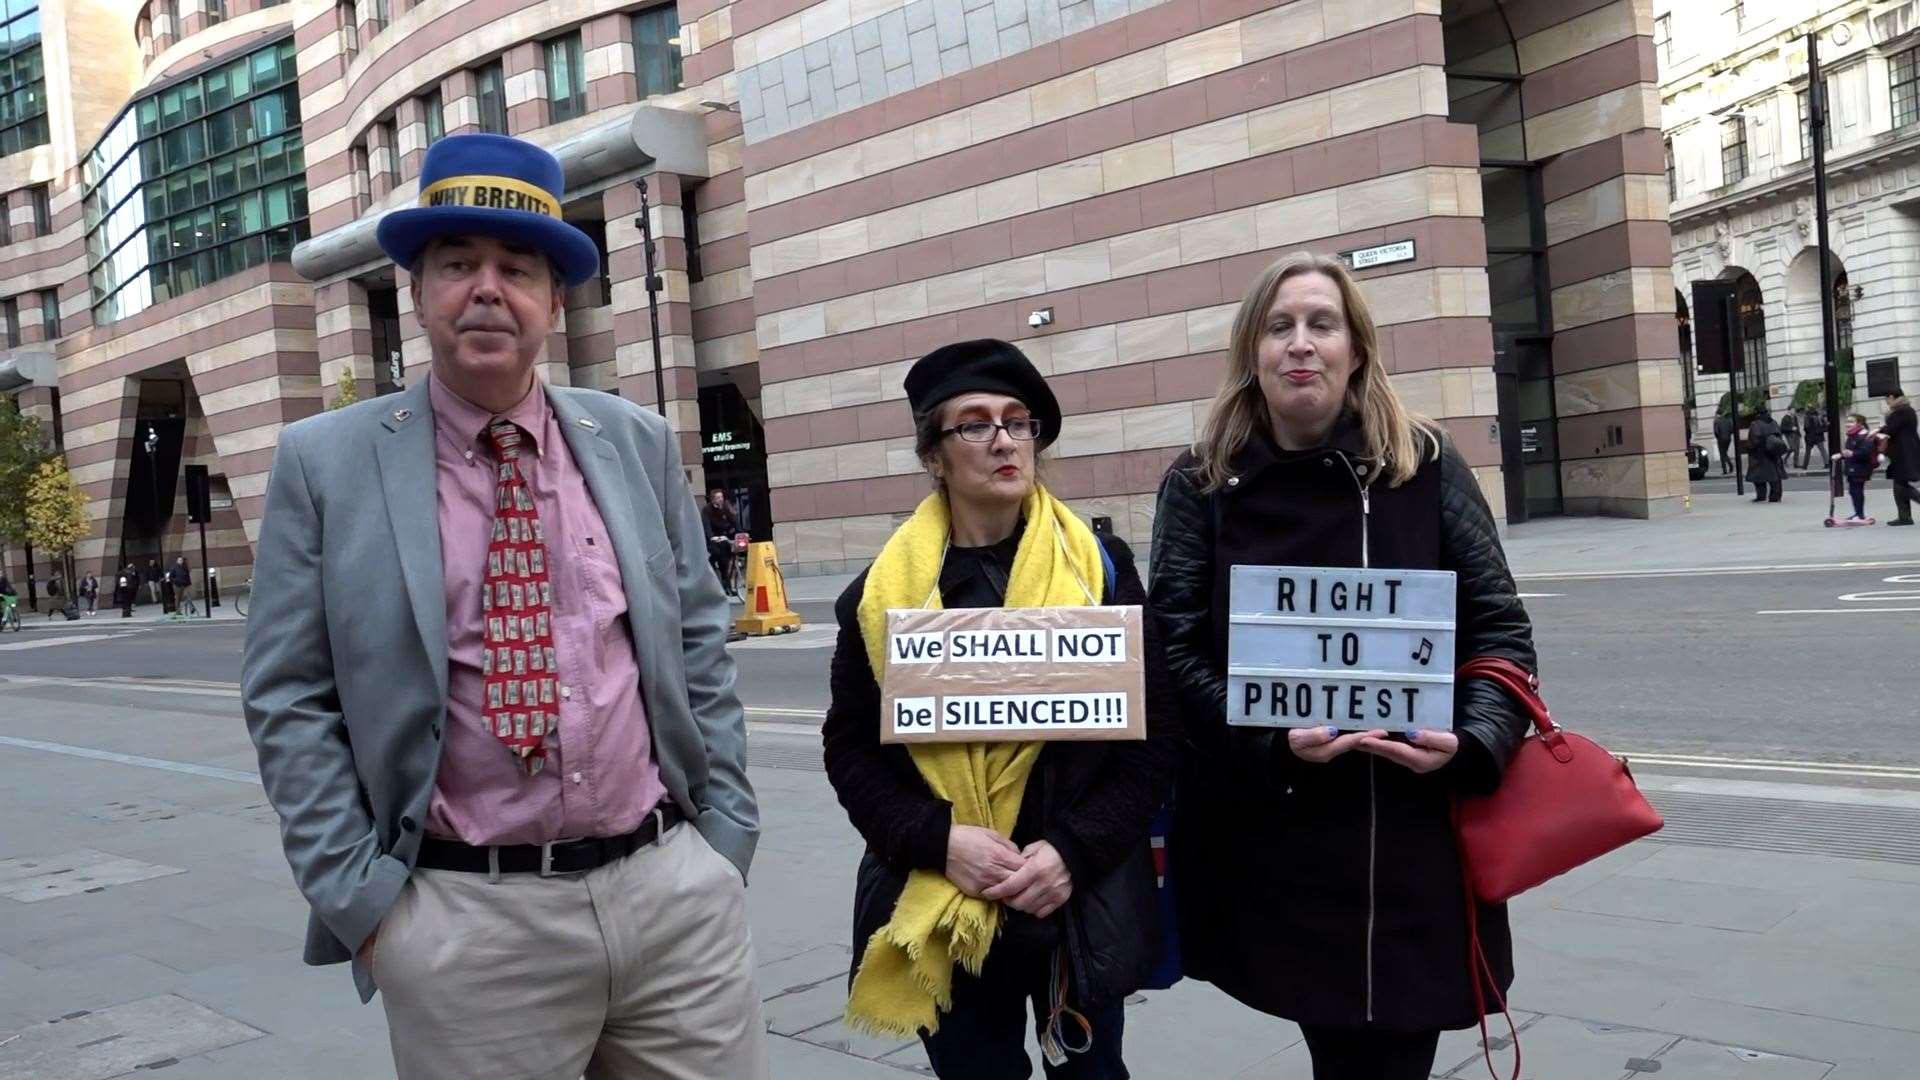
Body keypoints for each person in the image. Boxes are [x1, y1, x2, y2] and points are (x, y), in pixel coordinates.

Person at [241, 133, 767, 1080]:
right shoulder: (325, 463)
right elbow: (288, 698)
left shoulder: (634, 440)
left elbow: (696, 642)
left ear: (552, 298)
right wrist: (367, 906)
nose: (488, 289)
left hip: (673, 904)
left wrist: (722, 840)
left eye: (516, 267)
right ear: (417, 288)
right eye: (457, 264)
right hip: (465, 926)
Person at [1150, 253, 1537, 1080]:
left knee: (1396, 1055)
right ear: (1251, 352)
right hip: (1276, 838)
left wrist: (1470, 741)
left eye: (1321, 325)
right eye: (1278, 326)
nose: (1300, 345)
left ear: (1356, 348)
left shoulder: (1427, 465)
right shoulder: (1200, 482)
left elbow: (1500, 631)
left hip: (1412, 839)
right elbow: (1173, 652)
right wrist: (1265, 740)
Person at [822, 339, 1176, 1078]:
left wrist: (1072, 852)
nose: (1005, 440)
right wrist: (937, 839)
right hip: (946, 896)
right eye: (975, 424)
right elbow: (851, 751)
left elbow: (1154, 738)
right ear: (934, 454)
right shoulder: (884, 596)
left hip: (1072, 904)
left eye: (1018, 422)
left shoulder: (1100, 574)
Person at [1881, 388, 1918, 526]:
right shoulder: (1906, 410)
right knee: (1899, 483)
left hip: (1904, 452)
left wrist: (1878, 430)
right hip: (1903, 451)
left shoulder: (1902, 411)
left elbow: (1891, 429)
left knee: (1900, 485)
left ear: (1892, 396)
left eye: (1886, 399)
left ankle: (1904, 516)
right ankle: (1904, 516)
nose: (1886, 402)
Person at [1834, 414, 1879, 523]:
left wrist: (1852, 454)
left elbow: (1865, 452)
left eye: (1851, 421)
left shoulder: (1865, 436)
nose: (1847, 424)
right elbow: (1850, 450)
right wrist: (1841, 455)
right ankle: (1858, 514)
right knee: (1853, 491)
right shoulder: (1852, 435)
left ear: (1859, 423)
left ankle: (1860, 515)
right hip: (1853, 467)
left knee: (1856, 490)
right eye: (1847, 421)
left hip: (1860, 468)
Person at [702, 488, 739, 596]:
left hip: (724, 537)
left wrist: (741, 532)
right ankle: (724, 584)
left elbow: (734, 520)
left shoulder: (726, 507)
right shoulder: (707, 510)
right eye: (718, 498)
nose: (720, 499)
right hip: (713, 539)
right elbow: (706, 526)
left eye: (721, 497)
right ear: (713, 500)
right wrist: (711, 537)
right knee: (720, 557)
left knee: (730, 558)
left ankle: (729, 585)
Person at [1746, 406, 1787, 503]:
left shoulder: (1755, 424)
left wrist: (1749, 448)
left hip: (1760, 455)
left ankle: (1761, 496)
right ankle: (1775, 496)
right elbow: (1779, 435)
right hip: (1774, 453)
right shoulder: (1773, 422)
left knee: (1758, 476)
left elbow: (1754, 440)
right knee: (1775, 476)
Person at [1800, 407, 1828, 471]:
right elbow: (1826, 427)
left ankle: (1805, 466)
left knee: (1807, 452)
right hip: (1819, 437)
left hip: (1810, 438)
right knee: (1823, 451)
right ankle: (1827, 464)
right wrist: (1819, 430)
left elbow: (1806, 428)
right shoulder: (1820, 418)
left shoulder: (1807, 418)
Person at [1713, 409, 1734, 475]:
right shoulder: (1728, 420)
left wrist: (1718, 437)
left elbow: (1716, 432)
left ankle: (1726, 469)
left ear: (1717, 414)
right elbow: (1731, 430)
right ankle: (1730, 467)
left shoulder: (1716, 421)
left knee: (1722, 455)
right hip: (1728, 439)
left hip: (1721, 439)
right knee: (1724, 453)